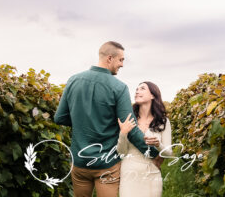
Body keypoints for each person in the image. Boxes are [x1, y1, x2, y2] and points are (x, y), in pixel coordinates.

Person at [53, 41, 162, 197]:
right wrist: (152, 153)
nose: (122, 64)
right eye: (121, 60)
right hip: (107, 163)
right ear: (109, 58)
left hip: (79, 162)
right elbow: (130, 128)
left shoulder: (73, 80)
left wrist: (83, 122)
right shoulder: (119, 87)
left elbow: (59, 118)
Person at [117, 81, 173, 197]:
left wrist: (158, 145)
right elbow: (121, 152)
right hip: (129, 173)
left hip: (152, 174)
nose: (137, 91)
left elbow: (168, 153)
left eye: (142, 88)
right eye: (136, 89)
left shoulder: (163, 121)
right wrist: (123, 133)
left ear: (153, 95)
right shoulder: (129, 119)